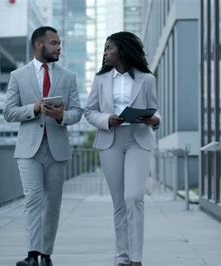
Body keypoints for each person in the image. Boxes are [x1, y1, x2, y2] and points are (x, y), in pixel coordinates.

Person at [4, 26, 82, 266]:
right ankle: (32, 254)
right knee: (33, 199)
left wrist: (61, 116)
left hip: (57, 148)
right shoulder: (18, 76)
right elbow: (8, 112)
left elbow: (78, 112)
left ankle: (46, 254)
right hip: (29, 150)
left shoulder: (68, 77)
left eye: (59, 43)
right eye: (55, 43)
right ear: (39, 45)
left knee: (53, 204)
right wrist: (34, 109)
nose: (59, 47)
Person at [85, 31, 161, 266]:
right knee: (119, 202)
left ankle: (136, 258)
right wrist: (107, 119)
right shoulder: (100, 80)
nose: (106, 53)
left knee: (134, 196)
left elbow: (155, 109)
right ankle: (123, 256)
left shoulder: (146, 79)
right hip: (111, 140)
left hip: (138, 138)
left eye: (109, 48)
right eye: (105, 49)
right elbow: (90, 111)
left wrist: (155, 120)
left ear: (123, 51)